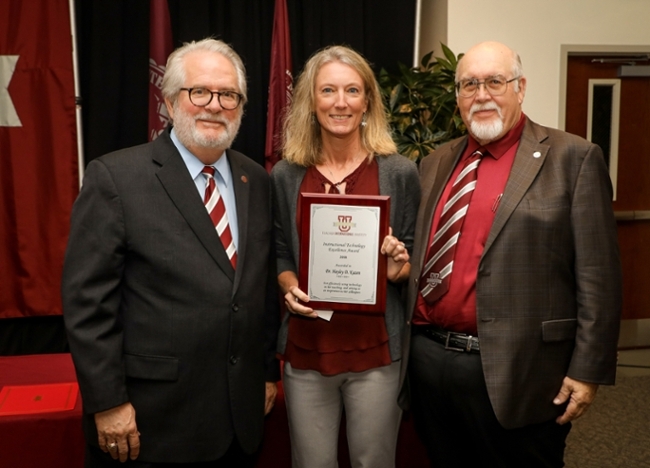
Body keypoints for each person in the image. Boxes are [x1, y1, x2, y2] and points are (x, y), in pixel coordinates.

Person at [400, 41, 622, 467]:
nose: (481, 94)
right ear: (458, 96)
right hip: (429, 364)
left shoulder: (572, 158)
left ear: (520, 88)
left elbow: (599, 275)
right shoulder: (435, 161)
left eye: (494, 82)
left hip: (521, 371)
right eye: (469, 85)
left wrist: (588, 369)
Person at [62, 38, 280, 467]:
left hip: (239, 417)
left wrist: (267, 371)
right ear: (169, 99)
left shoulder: (255, 179)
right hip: (151, 423)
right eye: (199, 91)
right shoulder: (116, 178)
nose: (214, 105)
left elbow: (258, 288)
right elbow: (87, 304)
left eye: (229, 95)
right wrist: (107, 402)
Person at [271, 45, 420, 468]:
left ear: (368, 101)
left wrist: (396, 267)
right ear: (310, 101)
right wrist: (289, 286)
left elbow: (410, 262)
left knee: (374, 463)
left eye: (352, 90)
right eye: (328, 90)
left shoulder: (399, 172)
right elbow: (281, 251)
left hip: (375, 352)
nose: (340, 102)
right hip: (308, 349)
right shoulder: (286, 174)